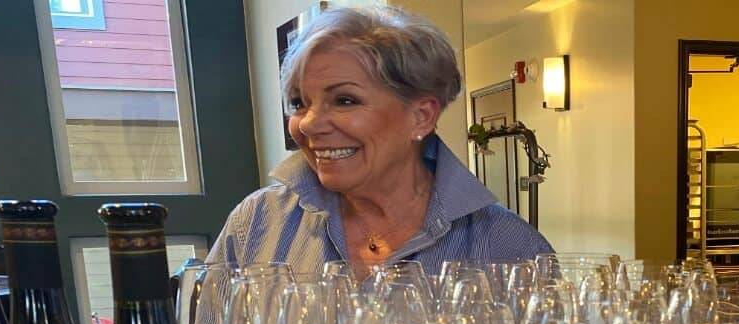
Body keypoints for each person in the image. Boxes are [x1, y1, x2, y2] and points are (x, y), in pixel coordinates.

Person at [208, 6, 551, 277]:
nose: (309, 124)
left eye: (344, 100)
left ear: (421, 116)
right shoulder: (256, 222)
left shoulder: (510, 247)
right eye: (299, 103)